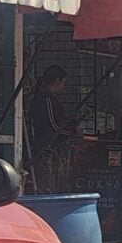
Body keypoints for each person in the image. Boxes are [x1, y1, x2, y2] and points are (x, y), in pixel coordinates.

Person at [28, 65, 75, 193]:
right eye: (63, 83)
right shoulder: (46, 99)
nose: (63, 87)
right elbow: (54, 125)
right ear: (57, 81)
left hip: (48, 146)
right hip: (46, 146)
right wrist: (71, 133)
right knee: (48, 183)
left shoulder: (47, 98)